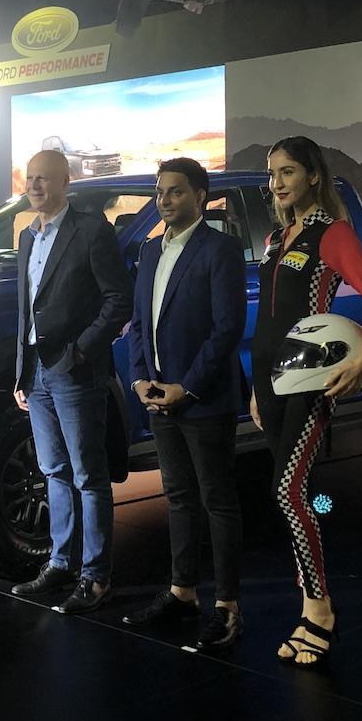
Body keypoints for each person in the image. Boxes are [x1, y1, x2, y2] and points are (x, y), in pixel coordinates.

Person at [250, 136, 362, 669]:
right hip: (271, 382)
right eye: (272, 174)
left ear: (313, 175)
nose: (277, 183)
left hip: (310, 381)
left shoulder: (331, 234)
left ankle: (319, 610)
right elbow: (269, 321)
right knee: (297, 494)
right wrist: (256, 388)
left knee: (287, 492)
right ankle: (312, 586)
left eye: (287, 171)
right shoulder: (276, 237)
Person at [123, 158, 248, 648]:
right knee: (178, 497)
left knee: (218, 501)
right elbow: (138, 322)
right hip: (158, 396)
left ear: (200, 196)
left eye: (175, 191)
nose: (164, 200)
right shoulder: (150, 251)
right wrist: (139, 379)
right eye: (159, 192)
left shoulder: (221, 249)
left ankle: (228, 606)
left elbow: (227, 329)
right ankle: (182, 592)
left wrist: (187, 387)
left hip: (203, 399)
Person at [11, 150, 132, 614]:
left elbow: (117, 300)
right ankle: (61, 563)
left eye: (44, 178)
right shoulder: (27, 236)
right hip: (37, 374)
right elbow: (25, 310)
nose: (34, 186)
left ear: (65, 182)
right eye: (30, 178)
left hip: (76, 371)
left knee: (88, 475)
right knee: (53, 471)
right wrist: (21, 372)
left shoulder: (91, 231)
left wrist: (81, 350)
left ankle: (96, 576)